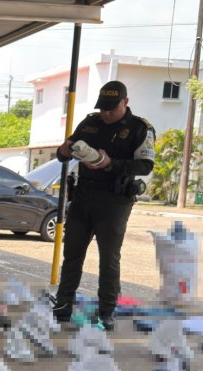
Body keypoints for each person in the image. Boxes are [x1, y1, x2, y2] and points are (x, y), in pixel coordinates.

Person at [52, 81, 155, 330]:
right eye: (103, 109)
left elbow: (145, 166)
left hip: (114, 201)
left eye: (111, 108)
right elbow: (63, 154)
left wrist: (111, 163)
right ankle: (64, 305)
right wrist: (64, 150)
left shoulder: (139, 128)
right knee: (72, 254)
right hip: (83, 197)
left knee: (108, 259)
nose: (106, 113)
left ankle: (106, 312)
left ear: (125, 102)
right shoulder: (89, 123)